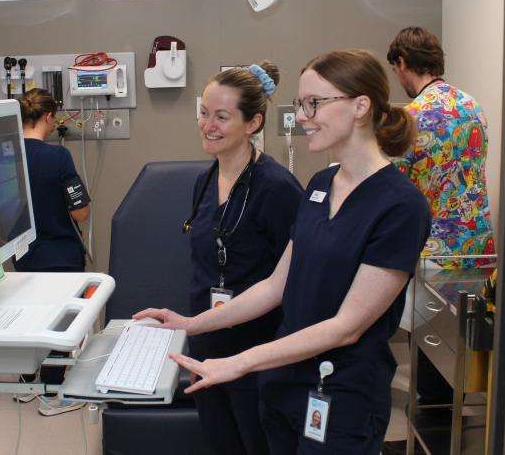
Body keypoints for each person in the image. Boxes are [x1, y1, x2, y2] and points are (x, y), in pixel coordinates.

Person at [136, 49, 431, 454]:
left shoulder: (400, 206)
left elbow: (347, 326)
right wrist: (191, 324)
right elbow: (275, 286)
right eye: (301, 104)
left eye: (314, 104)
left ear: (361, 106)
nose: (303, 116)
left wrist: (240, 362)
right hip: (284, 382)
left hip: (340, 395)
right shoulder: (320, 184)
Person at [177, 61, 303, 454]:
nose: (207, 124)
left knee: (258, 444)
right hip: (206, 340)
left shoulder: (278, 188)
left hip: (257, 351)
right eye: (203, 113)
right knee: (220, 443)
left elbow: (294, 281)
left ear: (253, 123)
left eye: (221, 116)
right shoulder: (203, 182)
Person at [387, 26, 496, 405]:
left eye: (396, 68)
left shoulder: (411, 117)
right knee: (468, 343)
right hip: (477, 244)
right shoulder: (472, 106)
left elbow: (395, 188)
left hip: (433, 249)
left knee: (432, 348)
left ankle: (433, 418)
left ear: (402, 63)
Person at [15, 88, 90, 416]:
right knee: (59, 326)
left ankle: (25, 386)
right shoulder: (58, 157)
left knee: (30, 319)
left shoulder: (7, 156)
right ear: (48, 117)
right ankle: (51, 394)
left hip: (24, 257)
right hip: (60, 255)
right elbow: (80, 212)